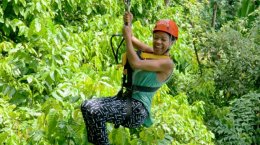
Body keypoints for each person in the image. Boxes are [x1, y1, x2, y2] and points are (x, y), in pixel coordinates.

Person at [81, 12, 178, 145]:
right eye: (156, 38)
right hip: (125, 100)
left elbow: (136, 63)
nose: (158, 42)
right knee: (86, 106)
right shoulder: (153, 52)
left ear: (172, 42)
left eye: (163, 39)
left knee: (94, 110)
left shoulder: (167, 64)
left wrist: (127, 38)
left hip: (137, 109)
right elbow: (132, 38)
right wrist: (128, 23)